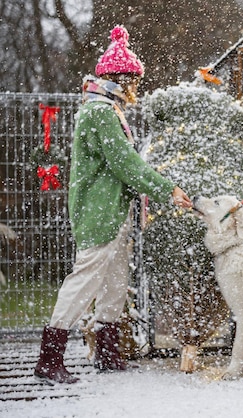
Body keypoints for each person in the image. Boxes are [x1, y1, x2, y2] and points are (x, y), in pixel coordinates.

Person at [34, 25, 193, 384]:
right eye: (134, 81)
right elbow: (124, 163)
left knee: (115, 282)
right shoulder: (100, 112)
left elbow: (123, 164)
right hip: (99, 211)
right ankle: (50, 356)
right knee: (86, 279)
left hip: (115, 212)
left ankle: (107, 351)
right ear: (119, 79)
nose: (137, 88)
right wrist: (169, 189)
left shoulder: (107, 109)